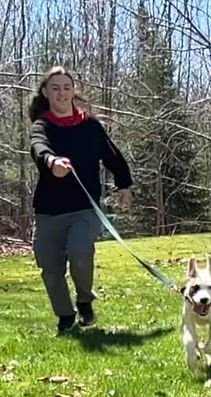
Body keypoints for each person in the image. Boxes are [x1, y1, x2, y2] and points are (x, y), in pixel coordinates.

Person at [27, 66, 133, 334]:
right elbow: (39, 147)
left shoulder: (90, 125)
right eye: (55, 88)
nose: (62, 93)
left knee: (80, 254)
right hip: (48, 211)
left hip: (84, 209)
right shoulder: (43, 125)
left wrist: (124, 184)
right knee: (50, 270)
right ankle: (65, 317)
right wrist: (52, 162)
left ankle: (85, 300)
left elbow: (112, 155)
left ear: (74, 90)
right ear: (45, 92)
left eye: (66, 87)